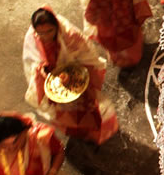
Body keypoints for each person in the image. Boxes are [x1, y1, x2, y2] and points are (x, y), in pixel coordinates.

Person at [23, 8, 118, 145]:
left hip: (77, 78)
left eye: (49, 31)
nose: (45, 36)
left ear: (56, 26)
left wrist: (74, 73)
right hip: (55, 84)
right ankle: (76, 131)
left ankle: (93, 133)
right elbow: (33, 60)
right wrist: (42, 70)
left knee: (86, 109)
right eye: (41, 33)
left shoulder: (70, 36)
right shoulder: (33, 38)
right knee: (63, 112)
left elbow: (87, 55)